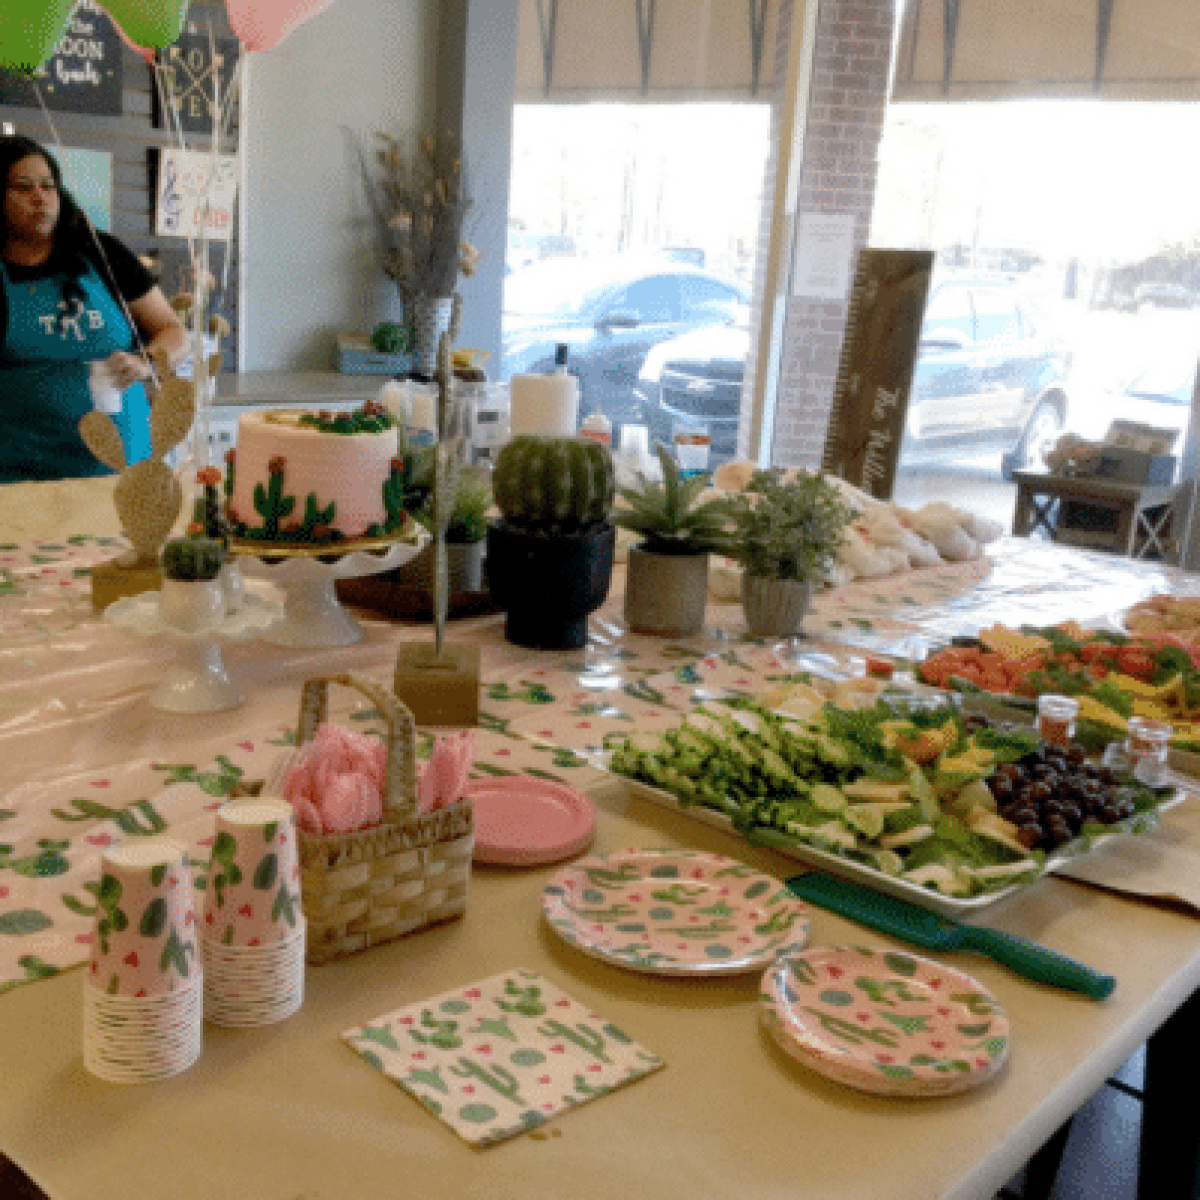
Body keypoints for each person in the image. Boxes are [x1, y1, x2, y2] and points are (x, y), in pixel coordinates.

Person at [0, 134, 187, 483]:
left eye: (48, 186)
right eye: (22, 187)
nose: (39, 198)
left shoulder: (102, 252)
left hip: (125, 467)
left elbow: (174, 332)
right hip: (22, 476)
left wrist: (145, 362)